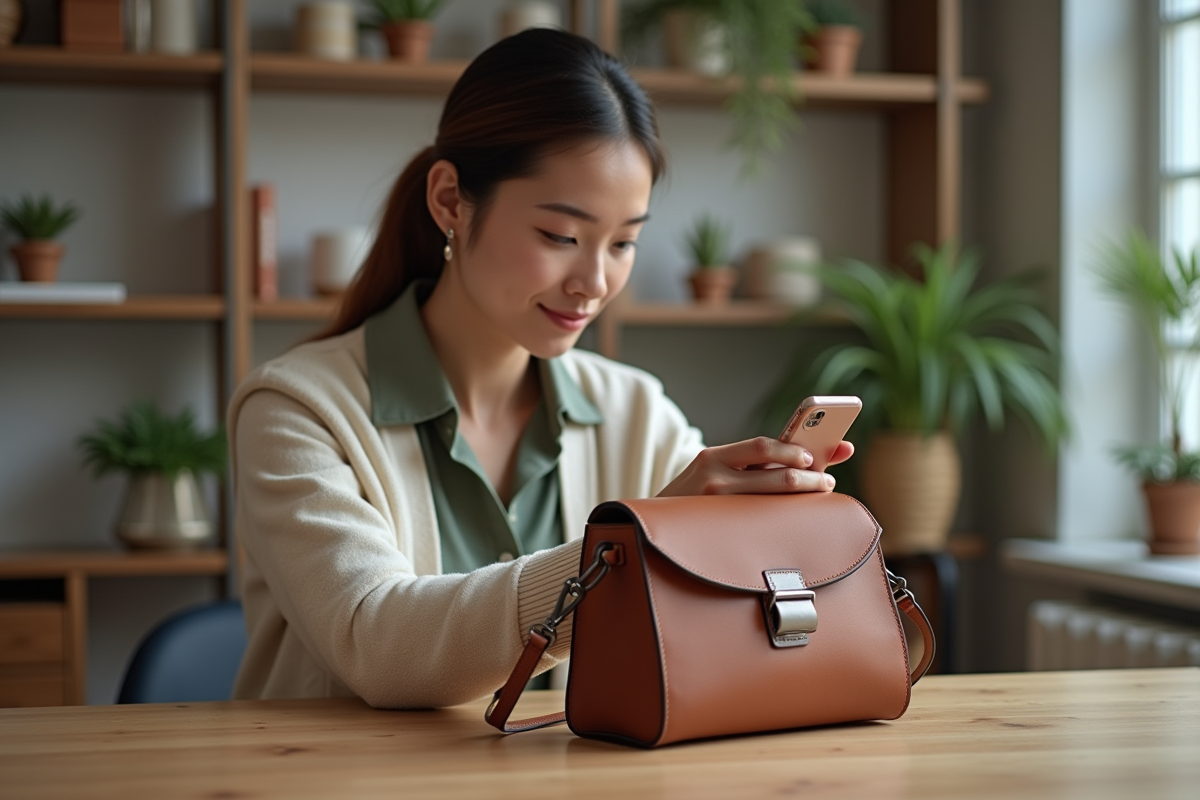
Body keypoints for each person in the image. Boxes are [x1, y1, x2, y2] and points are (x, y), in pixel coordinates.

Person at [228, 28, 853, 708]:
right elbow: (377, 643)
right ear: (449, 203)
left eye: (623, 243)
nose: (593, 281)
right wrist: (630, 549)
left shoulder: (635, 412)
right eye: (561, 236)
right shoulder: (296, 412)